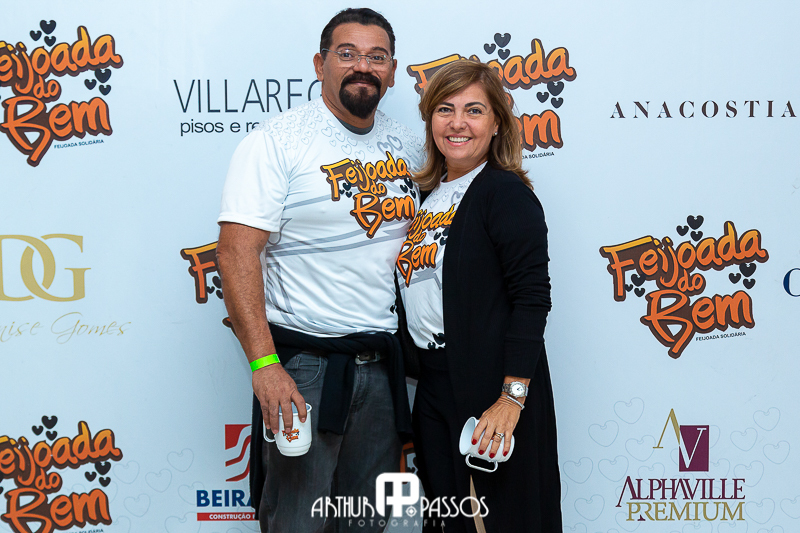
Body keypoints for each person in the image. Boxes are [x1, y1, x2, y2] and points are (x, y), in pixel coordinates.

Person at [216, 8, 423, 532]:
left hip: (382, 368)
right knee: (297, 522)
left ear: (392, 71)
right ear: (320, 63)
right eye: (347, 54)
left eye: (377, 57)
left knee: (365, 523)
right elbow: (236, 252)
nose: (363, 67)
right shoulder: (278, 140)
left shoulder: (410, 145)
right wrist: (265, 366)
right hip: (303, 370)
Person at [396, 60, 563, 532]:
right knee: (448, 521)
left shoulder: (504, 193)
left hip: (492, 386)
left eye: (474, 110)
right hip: (434, 386)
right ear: (430, 120)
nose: (458, 123)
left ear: (496, 124)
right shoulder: (427, 197)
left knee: (498, 520)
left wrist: (511, 398)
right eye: (445, 109)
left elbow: (532, 298)